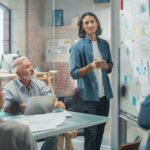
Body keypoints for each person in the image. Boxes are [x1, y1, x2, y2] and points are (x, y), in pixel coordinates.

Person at [70, 12, 113, 150]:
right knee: (91, 135)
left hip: (104, 97)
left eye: (92, 21)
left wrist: (106, 66)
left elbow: (110, 66)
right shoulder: (77, 46)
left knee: (100, 132)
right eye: (86, 23)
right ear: (82, 26)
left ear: (97, 23)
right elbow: (74, 73)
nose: (90, 25)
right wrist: (90, 67)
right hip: (87, 98)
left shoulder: (104, 44)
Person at [2, 56, 65, 150]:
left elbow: (49, 97)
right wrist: (26, 105)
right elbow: (6, 107)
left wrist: (56, 104)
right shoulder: (8, 88)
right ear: (18, 73)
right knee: (27, 139)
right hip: (21, 124)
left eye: (31, 65)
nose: (31, 68)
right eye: (27, 67)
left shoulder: (40, 84)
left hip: (40, 121)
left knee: (53, 136)